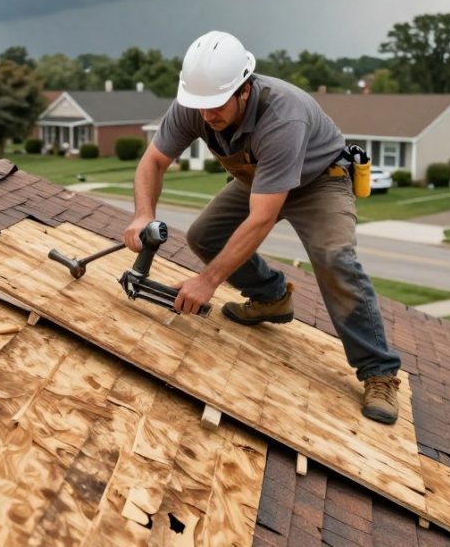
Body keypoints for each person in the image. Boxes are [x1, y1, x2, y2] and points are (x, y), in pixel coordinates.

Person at [122, 30, 403, 424]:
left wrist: (208, 281)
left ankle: (379, 371)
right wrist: (142, 214)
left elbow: (261, 219)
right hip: (261, 179)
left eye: (216, 106)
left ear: (244, 89)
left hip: (319, 180)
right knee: (205, 236)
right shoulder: (196, 103)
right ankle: (271, 297)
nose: (207, 116)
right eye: (200, 107)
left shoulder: (283, 115)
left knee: (333, 256)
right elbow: (153, 162)